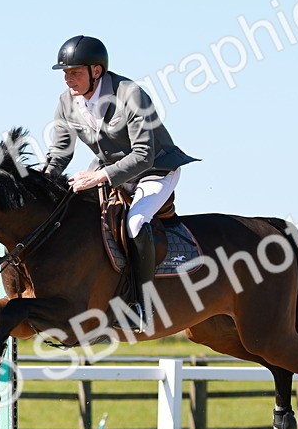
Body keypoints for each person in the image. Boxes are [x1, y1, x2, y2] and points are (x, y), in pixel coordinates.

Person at [42, 35, 198, 331]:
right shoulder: (66, 102)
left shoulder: (130, 94)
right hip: (108, 171)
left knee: (135, 223)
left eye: (74, 72)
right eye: (65, 73)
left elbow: (143, 154)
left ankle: (142, 306)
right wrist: (41, 182)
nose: (68, 79)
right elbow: (60, 153)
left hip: (155, 169)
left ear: (96, 71)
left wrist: (99, 176)